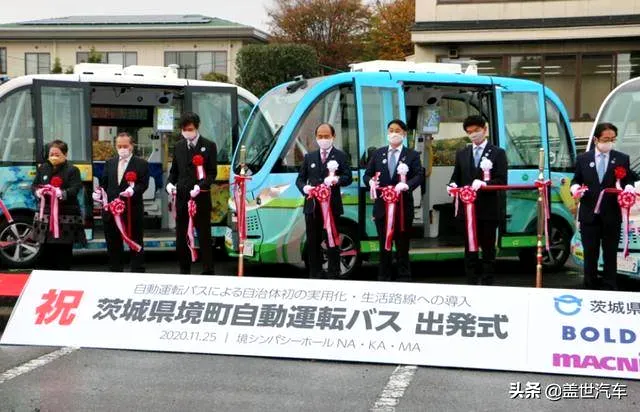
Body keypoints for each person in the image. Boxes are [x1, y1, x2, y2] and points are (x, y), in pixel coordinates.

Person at [571, 122, 637, 290]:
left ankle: (610, 287)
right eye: (605, 139)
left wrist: (628, 188)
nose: (609, 142)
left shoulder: (622, 158)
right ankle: (590, 287)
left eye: (612, 139)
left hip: (611, 214)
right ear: (596, 139)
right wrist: (575, 189)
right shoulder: (583, 159)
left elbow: (628, 179)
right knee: (590, 254)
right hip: (589, 213)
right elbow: (576, 179)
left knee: (610, 254)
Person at [448, 115, 507, 286]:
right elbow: (456, 177)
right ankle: (471, 280)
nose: (473, 134)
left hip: (488, 209)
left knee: (488, 248)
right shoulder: (462, 153)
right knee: (469, 248)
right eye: (469, 132)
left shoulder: (497, 153)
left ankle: (488, 280)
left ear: (485, 129)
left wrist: (485, 184)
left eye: (476, 130)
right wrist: (451, 185)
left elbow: (502, 181)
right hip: (467, 210)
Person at [363, 119, 424, 282]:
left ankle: (404, 277)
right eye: (391, 130)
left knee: (402, 245)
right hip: (382, 208)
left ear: (404, 134)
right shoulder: (378, 153)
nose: (394, 133)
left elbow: (419, 175)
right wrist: (369, 182)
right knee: (384, 244)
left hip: (403, 208)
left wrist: (407, 185)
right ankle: (384, 277)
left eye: (397, 131)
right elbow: (367, 174)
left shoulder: (412, 155)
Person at [296, 123, 353, 279]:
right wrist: (304, 189)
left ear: (333, 137)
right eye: (320, 136)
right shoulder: (309, 157)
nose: (323, 139)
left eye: (326, 136)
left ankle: (334, 273)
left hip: (331, 206)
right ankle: (315, 273)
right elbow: (300, 179)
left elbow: (348, 177)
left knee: (332, 240)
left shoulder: (340, 156)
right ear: (316, 138)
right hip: (312, 206)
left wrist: (336, 180)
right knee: (313, 241)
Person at [166, 112, 217, 275]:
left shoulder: (208, 146)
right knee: (181, 236)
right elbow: (174, 171)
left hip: (200, 196)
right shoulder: (179, 146)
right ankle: (184, 269)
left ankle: (208, 270)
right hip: (181, 197)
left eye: (190, 129)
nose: (187, 132)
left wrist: (200, 186)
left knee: (204, 235)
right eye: (184, 129)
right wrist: (169, 184)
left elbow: (211, 173)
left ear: (196, 127)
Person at [95, 132, 149, 272]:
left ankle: (137, 271)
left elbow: (143, 184)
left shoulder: (141, 163)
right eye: (119, 146)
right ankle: (115, 271)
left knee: (135, 241)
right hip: (112, 211)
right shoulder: (110, 163)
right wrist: (99, 194)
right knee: (113, 243)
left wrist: (134, 191)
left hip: (132, 209)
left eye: (125, 145)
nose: (122, 148)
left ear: (132, 146)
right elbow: (104, 183)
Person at [32, 140, 87, 270]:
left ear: (65, 154)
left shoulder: (72, 170)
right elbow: (34, 185)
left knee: (63, 252)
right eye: (51, 154)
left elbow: (75, 188)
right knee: (45, 252)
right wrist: (37, 191)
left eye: (57, 154)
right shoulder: (43, 168)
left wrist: (61, 193)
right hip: (45, 215)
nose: (54, 157)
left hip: (65, 216)